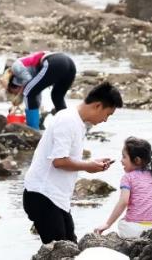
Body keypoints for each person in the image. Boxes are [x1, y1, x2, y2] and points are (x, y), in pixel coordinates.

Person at [23, 82, 123, 244]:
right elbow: (59, 161)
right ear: (98, 106)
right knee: (60, 253)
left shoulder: (76, 121)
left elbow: (65, 159)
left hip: (56, 197)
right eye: (107, 114)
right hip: (43, 194)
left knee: (70, 249)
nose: (105, 120)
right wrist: (88, 166)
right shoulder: (68, 120)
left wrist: (91, 163)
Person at [94, 137, 152, 238]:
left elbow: (123, 202)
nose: (121, 160)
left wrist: (108, 224)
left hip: (134, 230)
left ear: (137, 160)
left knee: (122, 223)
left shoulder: (128, 178)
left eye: (124, 157)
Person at [3, 51, 76, 129]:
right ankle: (66, 127)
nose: (16, 95)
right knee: (57, 96)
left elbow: (28, 85)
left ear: (15, 85)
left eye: (14, 93)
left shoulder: (16, 67)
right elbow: (35, 94)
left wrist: (22, 94)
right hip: (69, 64)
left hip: (54, 62)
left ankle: (33, 130)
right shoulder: (31, 75)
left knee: (28, 93)